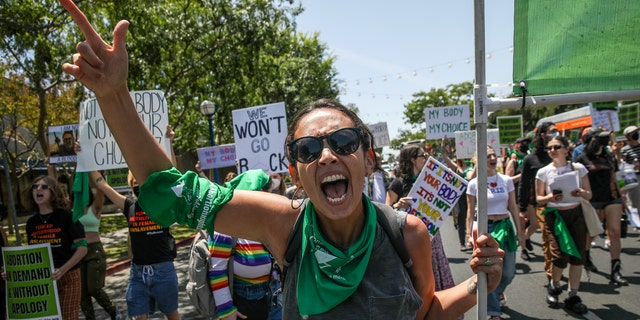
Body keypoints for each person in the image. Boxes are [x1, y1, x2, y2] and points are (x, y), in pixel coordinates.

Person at [59, 2, 505, 318]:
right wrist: (114, 96)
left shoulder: (408, 234)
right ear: (295, 173)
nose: (327, 154)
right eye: (308, 150)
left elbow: (424, 313)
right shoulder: (282, 225)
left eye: (344, 141)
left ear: (368, 160)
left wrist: (476, 282)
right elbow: (169, 191)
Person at [386, 144, 456, 292]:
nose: (426, 158)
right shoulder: (398, 183)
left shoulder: (430, 178)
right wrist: (398, 205)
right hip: (410, 237)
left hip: (431, 234)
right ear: (412, 159)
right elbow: (386, 210)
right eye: (422, 156)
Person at [535, 135, 592, 314]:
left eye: (557, 147)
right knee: (559, 255)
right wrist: (550, 198)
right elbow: (538, 199)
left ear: (567, 149)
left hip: (576, 214)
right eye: (549, 148)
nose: (552, 150)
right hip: (556, 216)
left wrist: (581, 192)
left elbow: (589, 194)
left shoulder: (579, 168)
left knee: (578, 257)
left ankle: (572, 295)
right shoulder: (543, 172)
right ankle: (554, 285)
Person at [466, 146, 524, 320]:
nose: (492, 157)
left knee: (508, 272)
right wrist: (469, 234)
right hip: (485, 230)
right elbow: (470, 211)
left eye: (494, 155)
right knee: (489, 270)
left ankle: (496, 290)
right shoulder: (474, 183)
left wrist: (520, 232)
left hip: (505, 227)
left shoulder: (506, 180)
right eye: (487, 155)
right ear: (479, 161)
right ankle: (493, 312)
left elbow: (513, 206)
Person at [23, 175, 87, 319]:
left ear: (53, 192)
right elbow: (32, 254)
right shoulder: (31, 223)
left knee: (68, 317)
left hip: (69, 276)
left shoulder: (67, 217)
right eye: (35, 187)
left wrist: (63, 270)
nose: (38, 189)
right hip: (43, 280)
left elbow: (82, 248)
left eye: (44, 187)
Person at [576, 128, 628, 286]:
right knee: (591, 233)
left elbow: (616, 176)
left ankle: (616, 270)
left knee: (615, 232)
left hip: (612, 198)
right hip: (593, 200)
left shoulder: (610, 157)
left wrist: (623, 196)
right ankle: (586, 256)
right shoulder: (582, 158)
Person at [76, 172, 122, 319]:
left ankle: (113, 311)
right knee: (82, 293)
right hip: (77, 252)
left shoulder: (95, 207)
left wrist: (99, 174)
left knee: (94, 288)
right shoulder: (72, 210)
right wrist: (50, 168)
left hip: (94, 249)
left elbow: (101, 188)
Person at [518, 122, 557, 266]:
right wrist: (522, 208)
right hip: (533, 200)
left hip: (554, 200)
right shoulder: (531, 159)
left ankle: (526, 239)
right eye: (552, 131)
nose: (556, 134)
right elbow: (523, 183)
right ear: (543, 135)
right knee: (534, 225)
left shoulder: (555, 155)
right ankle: (523, 246)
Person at [621, 125, 640, 213]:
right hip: (634, 177)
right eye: (634, 133)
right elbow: (622, 165)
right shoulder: (625, 150)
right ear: (628, 136)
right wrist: (633, 166)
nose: (637, 134)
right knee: (636, 201)